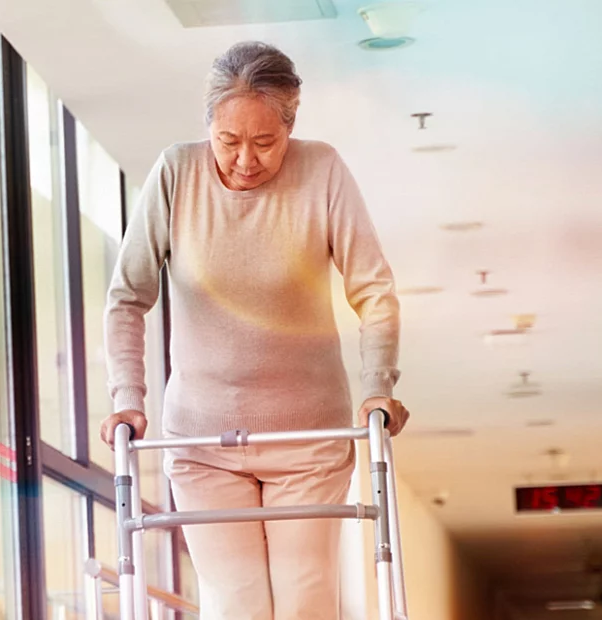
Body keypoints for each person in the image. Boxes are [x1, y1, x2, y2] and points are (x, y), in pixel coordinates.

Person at [98, 41, 409, 619]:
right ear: (208, 126)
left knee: (304, 602)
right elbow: (126, 298)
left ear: (291, 125)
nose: (245, 160)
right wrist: (127, 398)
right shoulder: (175, 172)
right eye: (229, 141)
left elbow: (373, 290)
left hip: (307, 440)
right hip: (203, 442)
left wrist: (378, 387)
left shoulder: (322, 171)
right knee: (238, 604)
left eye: (266, 142)